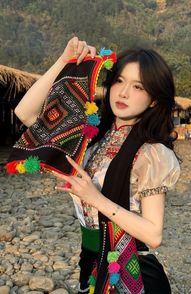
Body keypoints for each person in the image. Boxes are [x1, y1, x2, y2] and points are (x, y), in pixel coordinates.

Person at [15, 37, 180, 294]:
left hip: (133, 271)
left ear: (154, 100)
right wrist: (64, 60)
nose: (123, 92)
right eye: (119, 81)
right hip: (91, 261)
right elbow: (25, 113)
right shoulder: (88, 137)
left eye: (138, 87)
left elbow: (153, 235)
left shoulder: (152, 153)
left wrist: (95, 198)